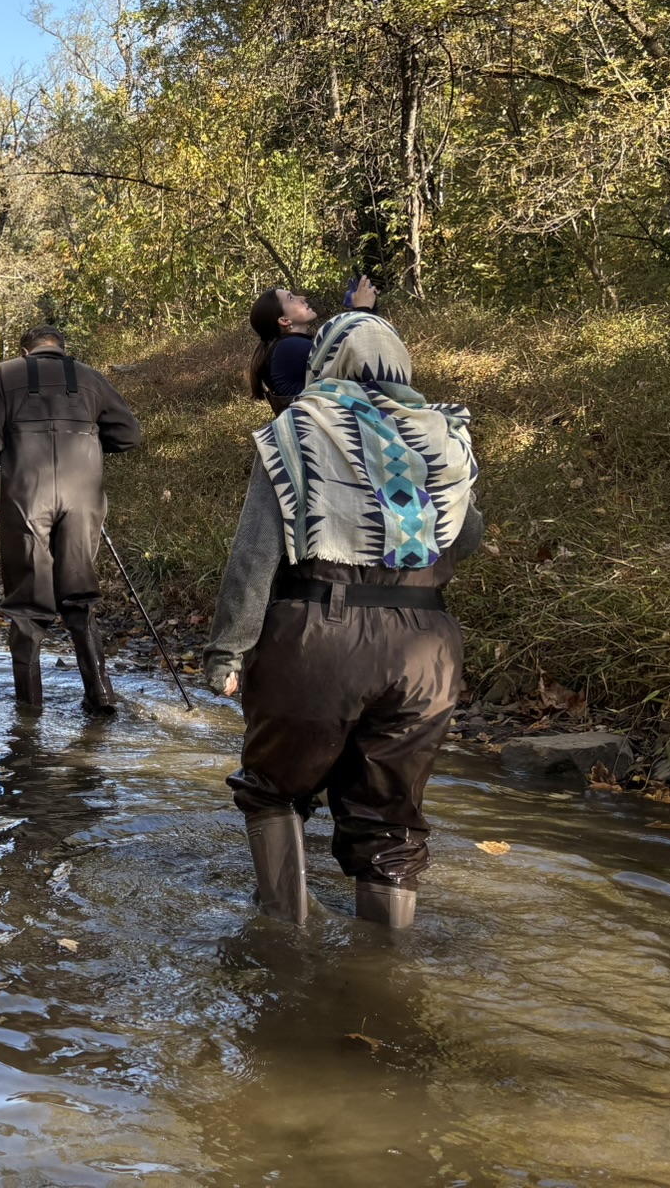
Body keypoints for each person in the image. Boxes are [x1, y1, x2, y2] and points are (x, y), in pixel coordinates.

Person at [203, 311, 481, 929]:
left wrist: (228, 650)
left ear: (324, 362)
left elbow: (255, 554)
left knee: (273, 790)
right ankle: (384, 980)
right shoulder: (442, 435)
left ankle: (282, 944)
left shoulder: (299, 428)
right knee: (390, 824)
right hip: (426, 648)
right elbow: (463, 541)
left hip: (317, 634)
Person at [0, 325, 142, 714]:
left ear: (25, 351)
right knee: (78, 598)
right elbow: (129, 434)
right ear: (62, 349)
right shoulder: (90, 377)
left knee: (27, 608)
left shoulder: (4, 374)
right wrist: (89, 441)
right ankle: (101, 698)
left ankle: (28, 715)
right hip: (84, 499)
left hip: (27, 497)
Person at [249, 277, 379, 413]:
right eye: (291, 298)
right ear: (284, 320)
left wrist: (361, 311)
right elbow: (354, 352)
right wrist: (362, 309)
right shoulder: (288, 348)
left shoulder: (284, 347)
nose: (302, 297)